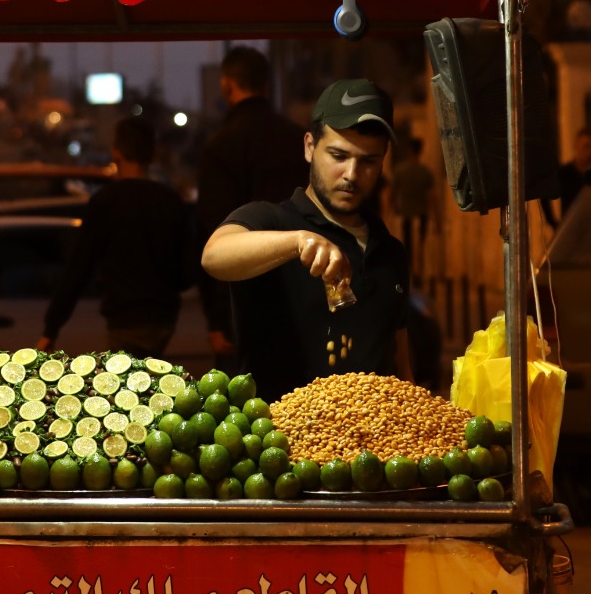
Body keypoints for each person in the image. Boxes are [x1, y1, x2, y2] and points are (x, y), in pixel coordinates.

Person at [201, 78, 411, 403]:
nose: (352, 174)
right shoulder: (271, 220)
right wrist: (298, 242)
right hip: (280, 444)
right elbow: (214, 255)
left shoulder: (390, 251)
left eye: (369, 161)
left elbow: (398, 358)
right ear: (310, 147)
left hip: (374, 445)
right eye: (338, 155)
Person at [38, 117, 192, 358]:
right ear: (151, 154)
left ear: (116, 153)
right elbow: (189, 266)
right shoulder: (170, 200)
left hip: (124, 318)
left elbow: (79, 266)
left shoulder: (105, 202)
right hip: (164, 318)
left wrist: (52, 327)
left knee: (128, 387)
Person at [195, 45, 307, 369]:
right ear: (267, 85)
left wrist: (216, 320)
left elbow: (211, 229)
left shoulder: (221, 144)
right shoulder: (298, 140)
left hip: (243, 297)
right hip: (303, 287)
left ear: (227, 84)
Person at [386, 135, 435, 287]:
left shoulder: (400, 171)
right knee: (421, 247)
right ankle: (418, 275)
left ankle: (408, 276)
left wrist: (390, 212)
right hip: (422, 214)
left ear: (409, 151)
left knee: (406, 248)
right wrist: (437, 218)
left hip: (405, 215)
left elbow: (392, 194)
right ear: (420, 151)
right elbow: (431, 198)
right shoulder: (425, 172)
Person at [544, 127, 591, 229]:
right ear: (577, 146)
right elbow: (545, 193)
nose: (590, 152)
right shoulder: (564, 173)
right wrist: (552, 222)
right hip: (570, 228)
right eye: (586, 146)